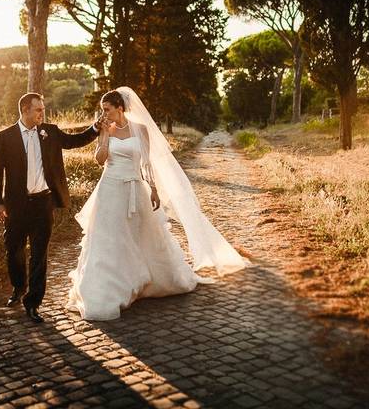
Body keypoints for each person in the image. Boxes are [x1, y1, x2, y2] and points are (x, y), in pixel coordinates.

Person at [67, 87, 247, 321]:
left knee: (142, 234)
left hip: (135, 188)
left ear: (120, 108)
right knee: (108, 238)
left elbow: (146, 164)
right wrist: (103, 136)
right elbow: (100, 159)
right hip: (110, 188)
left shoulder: (140, 130)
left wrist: (152, 188)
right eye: (102, 110)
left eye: (107, 109)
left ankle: (148, 280)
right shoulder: (105, 130)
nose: (103, 113)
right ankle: (110, 288)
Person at [0, 92, 101, 323]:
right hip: (16, 205)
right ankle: (19, 288)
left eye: (43, 109)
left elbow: (74, 141)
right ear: (25, 110)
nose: (43, 113)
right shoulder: (5, 137)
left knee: (39, 255)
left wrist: (95, 129)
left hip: (43, 203)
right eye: (38, 109)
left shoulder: (50, 131)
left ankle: (33, 302)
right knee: (14, 250)